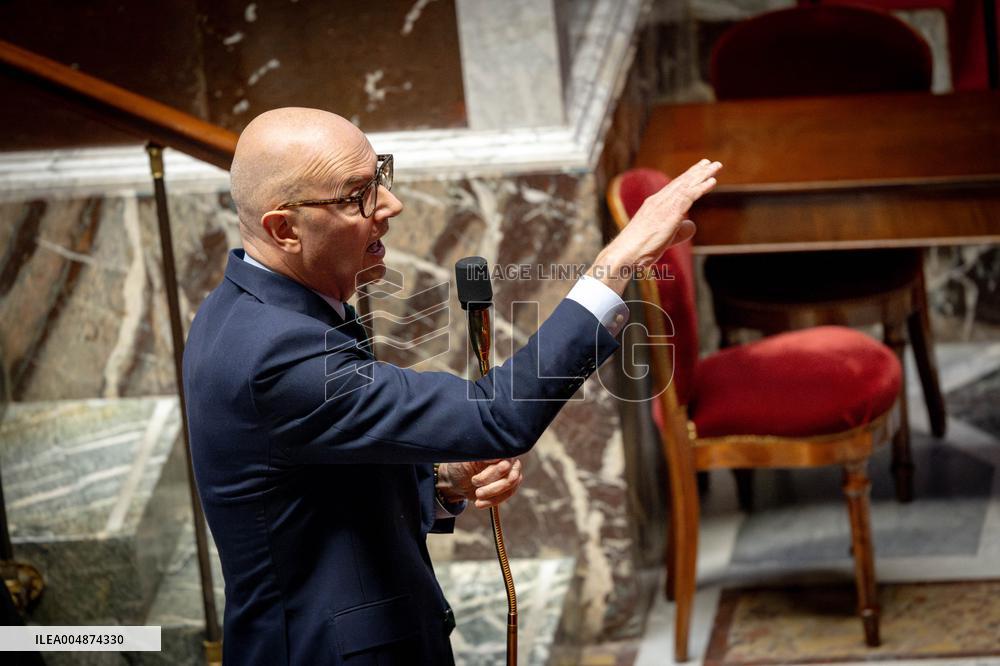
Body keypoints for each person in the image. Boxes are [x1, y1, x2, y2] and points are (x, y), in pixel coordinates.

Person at [183, 106, 720, 665]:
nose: (390, 205)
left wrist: (442, 480)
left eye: (379, 176)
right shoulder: (276, 353)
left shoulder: (247, 310)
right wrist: (619, 260)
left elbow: (320, 485)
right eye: (357, 196)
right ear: (284, 229)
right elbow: (497, 415)